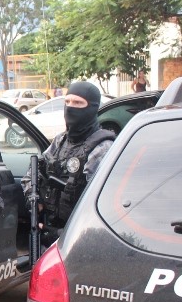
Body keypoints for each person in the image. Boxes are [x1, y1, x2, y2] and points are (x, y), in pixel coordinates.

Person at [22, 81, 115, 248]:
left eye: (78, 103)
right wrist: (33, 197)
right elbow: (33, 173)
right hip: (50, 229)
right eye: (67, 102)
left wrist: (60, 234)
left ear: (92, 107)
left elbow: (100, 205)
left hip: (82, 239)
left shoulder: (102, 147)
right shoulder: (60, 141)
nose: (70, 108)